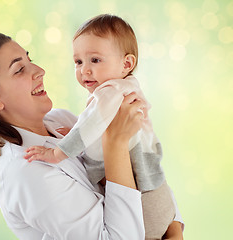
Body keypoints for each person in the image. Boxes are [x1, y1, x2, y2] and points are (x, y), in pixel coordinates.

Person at [0, 32, 183, 239]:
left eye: (30, 60)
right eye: (19, 69)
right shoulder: (26, 172)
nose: (39, 71)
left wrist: (174, 227)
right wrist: (116, 143)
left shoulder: (62, 121)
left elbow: (142, 163)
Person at [24, 14, 183, 239]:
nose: (84, 70)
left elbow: (91, 124)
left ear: (127, 63)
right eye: (78, 62)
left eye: (95, 60)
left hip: (143, 203)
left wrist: (57, 152)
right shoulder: (128, 88)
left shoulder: (108, 93)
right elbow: (98, 128)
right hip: (160, 198)